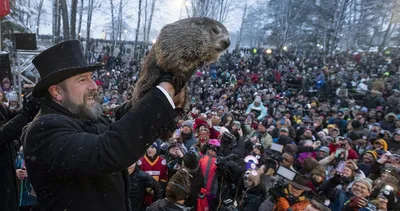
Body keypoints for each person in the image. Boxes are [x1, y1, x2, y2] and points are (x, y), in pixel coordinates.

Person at [21, 40, 193, 210]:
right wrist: (163, 93)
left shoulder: (83, 116)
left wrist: (157, 88)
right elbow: (108, 149)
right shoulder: (43, 131)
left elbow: (120, 122)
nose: (94, 86)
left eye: (91, 78)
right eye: (82, 80)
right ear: (57, 91)